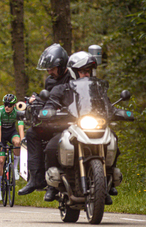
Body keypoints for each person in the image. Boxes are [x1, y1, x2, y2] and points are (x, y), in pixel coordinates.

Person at [43, 51, 118, 203]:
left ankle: (107, 184)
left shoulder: (97, 90)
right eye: (82, 71)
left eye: (88, 71)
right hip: (70, 128)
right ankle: (51, 187)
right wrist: (48, 111)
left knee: (114, 141)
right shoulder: (62, 89)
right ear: (73, 71)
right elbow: (50, 103)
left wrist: (119, 112)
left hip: (95, 128)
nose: (85, 74)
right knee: (51, 148)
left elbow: (108, 106)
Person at [19, 43, 71, 196]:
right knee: (32, 134)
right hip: (54, 123)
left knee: (51, 148)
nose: (49, 72)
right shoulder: (50, 81)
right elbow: (47, 100)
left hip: (70, 124)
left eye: (52, 68)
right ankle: (36, 179)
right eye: (47, 69)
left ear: (61, 66)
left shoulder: (73, 78)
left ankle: (52, 186)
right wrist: (36, 101)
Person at [0, 94, 25, 200]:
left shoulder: (18, 111)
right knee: (1, 161)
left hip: (11, 132)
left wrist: (23, 140)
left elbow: (20, 127)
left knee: (17, 142)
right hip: (1, 134)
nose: (7, 107)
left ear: (14, 105)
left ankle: (15, 168)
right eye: (5, 104)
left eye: (10, 105)